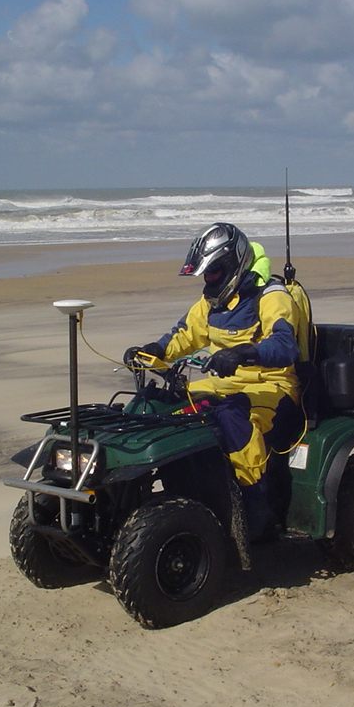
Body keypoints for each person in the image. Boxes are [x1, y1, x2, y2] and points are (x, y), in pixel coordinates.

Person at [124, 222, 304, 540]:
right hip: (223, 384)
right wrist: (153, 351)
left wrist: (244, 354)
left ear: (233, 264)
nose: (208, 280)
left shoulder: (272, 297)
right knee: (160, 406)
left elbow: (285, 346)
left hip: (272, 387)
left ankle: (255, 508)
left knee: (233, 418)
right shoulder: (211, 303)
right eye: (205, 274)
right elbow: (184, 335)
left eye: (213, 273)